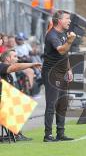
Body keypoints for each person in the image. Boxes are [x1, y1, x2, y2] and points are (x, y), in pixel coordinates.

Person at [42, 10, 76, 142]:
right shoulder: (52, 35)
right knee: (52, 104)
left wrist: (69, 70)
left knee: (62, 103)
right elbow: (61, 49)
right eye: (67, 18)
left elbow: (64, 54)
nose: (70, 21)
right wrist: (70, 41)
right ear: (59, 20)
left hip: (62, 72)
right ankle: (48, 135)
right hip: (51, 73)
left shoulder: (62, 34)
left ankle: (60, 133)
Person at [0, 49, 42, 141]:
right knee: (20, 103)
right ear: (7, 58)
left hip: (5, 102)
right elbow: (16, 67)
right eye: (14, 56)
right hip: (2, 104)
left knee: (21, 102)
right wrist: (32, 64)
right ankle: (15, 134)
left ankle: (15, 133)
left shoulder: (9, 76)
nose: (17, 58)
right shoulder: (1, 66)